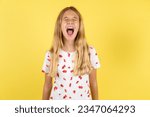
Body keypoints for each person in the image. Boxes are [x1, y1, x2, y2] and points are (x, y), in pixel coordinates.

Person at [41, 6, 100, 100]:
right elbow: (47, 86)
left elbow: (93, 83)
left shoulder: (90, 52)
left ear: (80, 25)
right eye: (66, 19)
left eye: (74, 19)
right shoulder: (51, 55)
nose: (70, 21)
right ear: (60, 25)